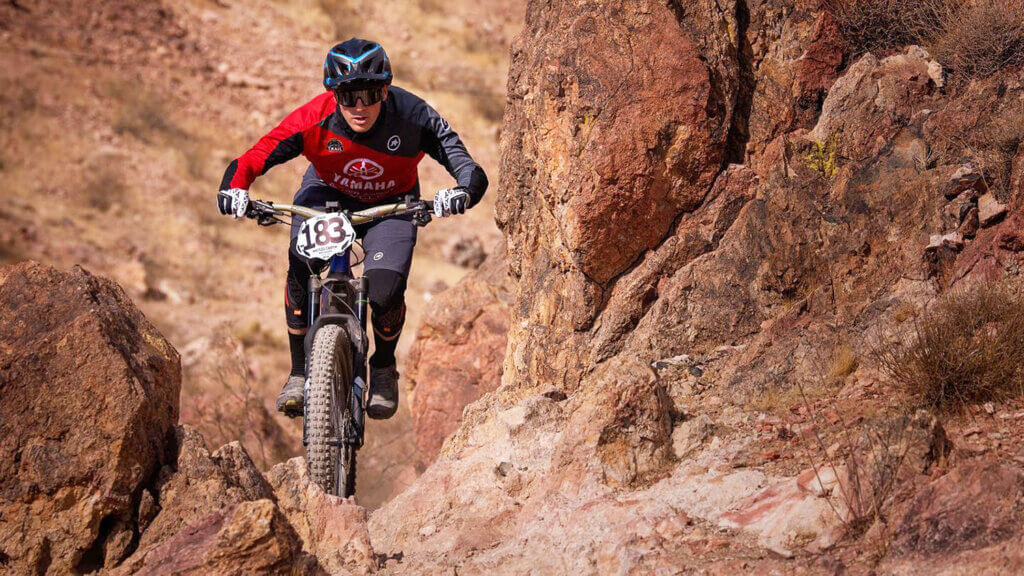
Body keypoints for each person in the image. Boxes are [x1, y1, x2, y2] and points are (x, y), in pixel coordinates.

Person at [217, 38, 488, 420]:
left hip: (392, 205)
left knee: (385, 289)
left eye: (369, 93)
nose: (359, 106)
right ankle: (298, 372)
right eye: (347, 96)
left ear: (386, 89)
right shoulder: (313, 118)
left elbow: (466, 164)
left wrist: (462, 191)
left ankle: (382, 367)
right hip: (325, 195)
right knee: (301, 262)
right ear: (334, 94)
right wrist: (234, 190)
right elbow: (256, 155)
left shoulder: (415, 115)